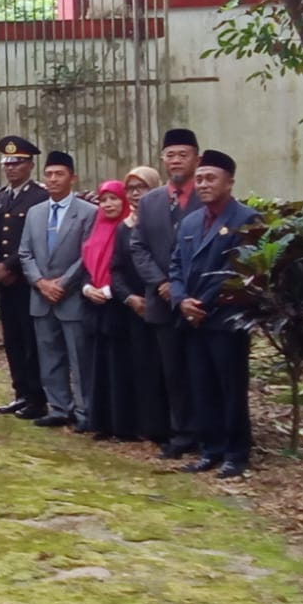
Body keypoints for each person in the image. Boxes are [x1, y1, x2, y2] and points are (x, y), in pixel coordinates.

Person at [169, 149, 258, 479]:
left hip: (224, 321)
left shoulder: (245, 219)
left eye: (211, 178)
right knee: (202, 386)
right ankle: (211, 449)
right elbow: (176, 263)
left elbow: (235, 269)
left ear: (230, 182)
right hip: (192, 320)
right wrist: (181, 300)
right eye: (200, 178)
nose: (204, 184)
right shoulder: (191, 220)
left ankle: (236, 453)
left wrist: (200, 305)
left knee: (230, 388)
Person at [130, 128, 206, 460]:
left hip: (199, 301)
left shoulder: (208, 196)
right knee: (171, 370)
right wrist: (161, 283)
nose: (175, 160)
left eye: (183, 154)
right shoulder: (150, 201)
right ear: (162, 159)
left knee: (202, 369)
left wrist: (184, 289)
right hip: (160, 300)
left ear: (197, 159)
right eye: (170, 155)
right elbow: (138, 247)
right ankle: (180, 432)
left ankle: (209, 432)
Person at [19, 151, 98, 431]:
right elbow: (25, 253)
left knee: (79, 357)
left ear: (72, 177)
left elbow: (88, 255)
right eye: (49, 174)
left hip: (71, 296)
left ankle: (85, 411)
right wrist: (40, 283)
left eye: (59, 174)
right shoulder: (35, 212)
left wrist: (63, 283)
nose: (53, 179)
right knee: (49, 355)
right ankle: (59, 407)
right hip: (41, 296)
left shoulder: (88, 212)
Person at [0, 136, 50, 419]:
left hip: (27, 279)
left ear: (30, 165)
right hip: (3, 281)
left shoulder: (40, 196)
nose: (11, 168)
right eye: (7, 163)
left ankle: (37, 397)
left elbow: (37, 240)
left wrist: (10, 266)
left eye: (18, 162)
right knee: (11, 338)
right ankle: (20, 392)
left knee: (30, 339)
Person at [117, 166, 171, 443]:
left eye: (142, 188)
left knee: (168, 367)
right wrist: (129, 297)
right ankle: (149, 425)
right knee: (143, 366)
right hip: (134, 306)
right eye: (131, 188)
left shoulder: (164, 219)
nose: (136, 194)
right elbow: (115, 268)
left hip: (165, 299)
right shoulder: (123, 226)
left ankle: (174, 427)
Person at [83, 181, 136, 440]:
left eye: (114, 199)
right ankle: (101, 422)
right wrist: (86, 288)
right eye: (104, 200)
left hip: (121, 305)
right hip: (95, 305)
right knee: (99, 365)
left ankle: (124, 424)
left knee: (121, 366)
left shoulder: (129, 229)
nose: (108, 205)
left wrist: (110, 290)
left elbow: (129, 268)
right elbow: (86, 263)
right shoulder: (97, 228)